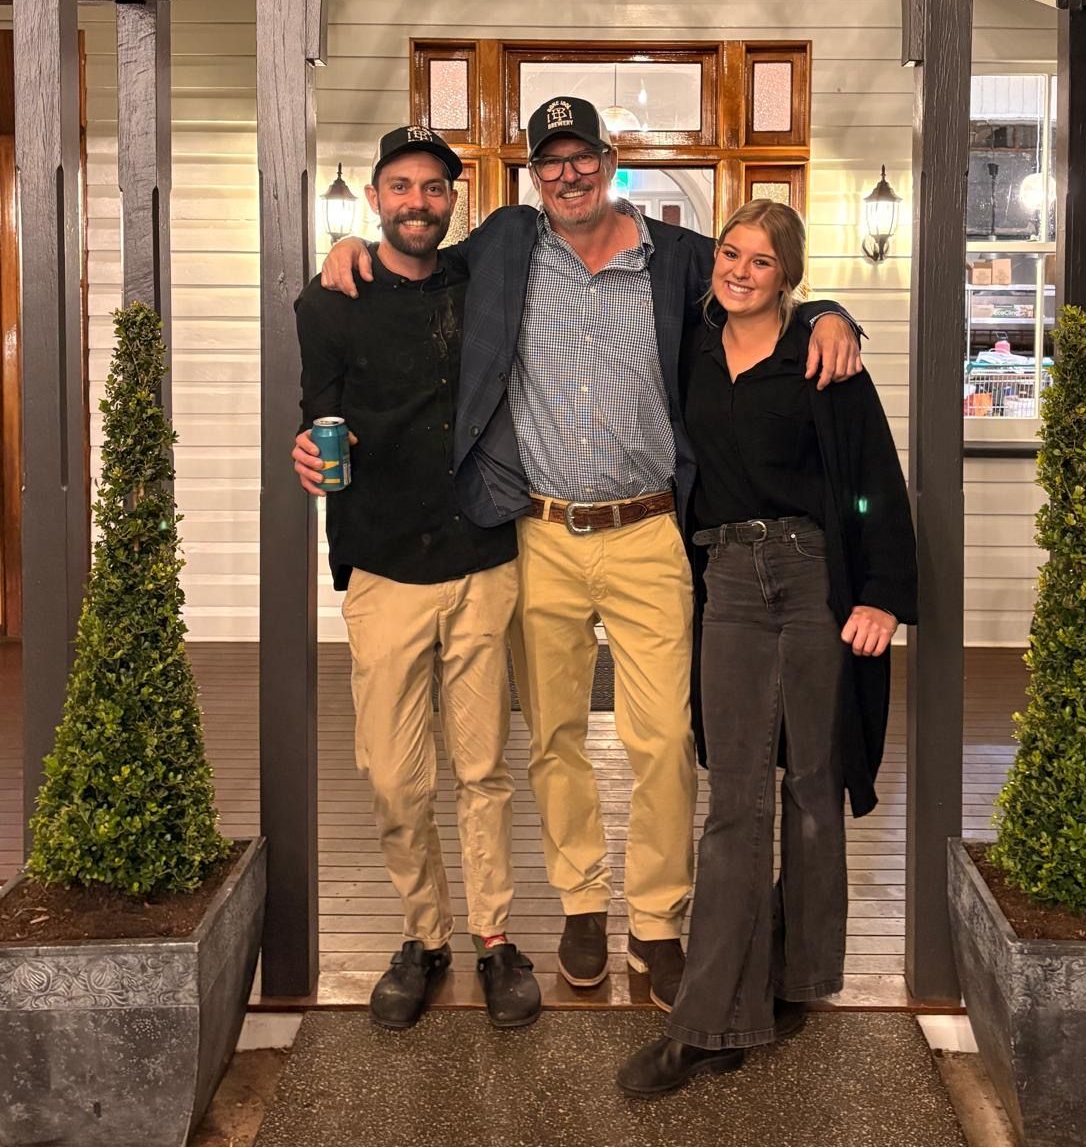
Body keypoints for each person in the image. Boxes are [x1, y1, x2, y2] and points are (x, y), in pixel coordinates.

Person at [302, 99, 863, 1012]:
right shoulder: (506, 249)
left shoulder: (675, 258)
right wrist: (347, 251)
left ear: (609, 160)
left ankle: (656, 922)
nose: (568, 174)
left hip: (646, 533)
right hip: (541, 533)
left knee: (664, 739)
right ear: (532, 176)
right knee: (553, 735)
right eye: (549, 161)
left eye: (582, 157)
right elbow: (418, 262)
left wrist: (831, 307)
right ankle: (577, 906)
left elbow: (754, 290)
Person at [616, 198, 916, 1097]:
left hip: (815, 573)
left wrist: (884, 597)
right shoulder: (693, 349)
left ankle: (799, 976)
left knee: (814, 782)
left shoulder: (823, 357)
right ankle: (712, 1022)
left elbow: (873, 479)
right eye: (729, 254)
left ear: (788, 275)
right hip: (731, 579)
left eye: (759, 261)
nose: (738, 271)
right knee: (735, 795)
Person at [293, 125, 541, 1032]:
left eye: (434, 189)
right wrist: (310, 452)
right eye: (400, 188)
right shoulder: (327, 304)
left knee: (481, 768)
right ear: (374, 196)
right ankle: (423, 937)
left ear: (453, 199)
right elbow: (314, 414)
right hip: (385, 562)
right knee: (396, 777)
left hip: (482, 557)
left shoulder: (483, 278)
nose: (417, 204)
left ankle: (495, 939)